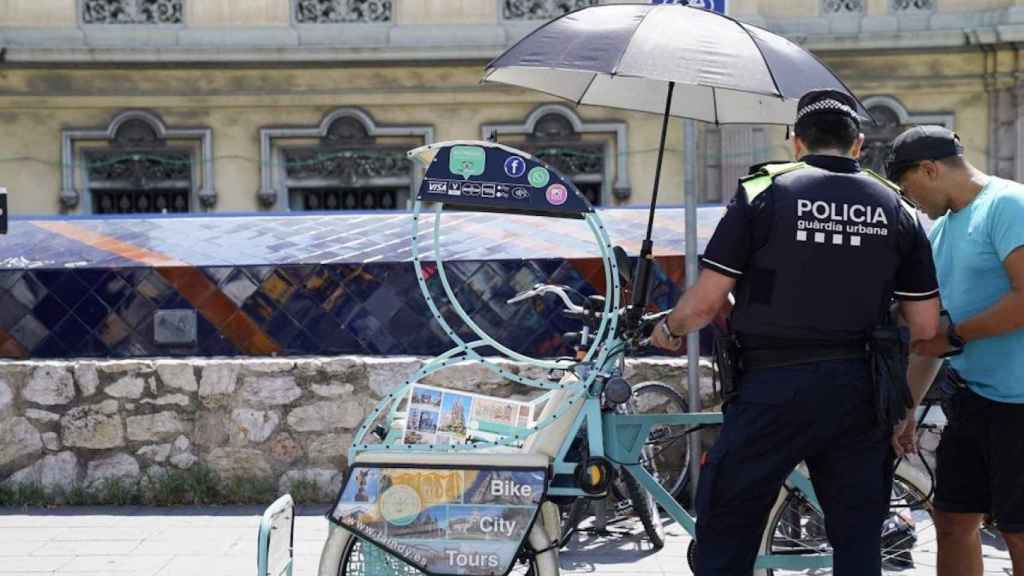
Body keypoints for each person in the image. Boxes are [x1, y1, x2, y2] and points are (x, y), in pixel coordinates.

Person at [650, 89, 941, 575]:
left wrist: (669, 327)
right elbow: (927, 326)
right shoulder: (898, 208)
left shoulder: (763, 192)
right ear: (858, 145)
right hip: (860, 391)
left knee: (728, 527)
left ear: (796, 143)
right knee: (858, 538)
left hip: (771, 388)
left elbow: (705, 304)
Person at [887, 126, 1024, 576]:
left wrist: (957, 337)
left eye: (910, 191)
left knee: (1018, 533)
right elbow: (933, 337)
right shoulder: (941, 232)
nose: (912, 204)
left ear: (930, 169)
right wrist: (907, 408)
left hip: (1020, 406)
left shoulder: (1008, 204)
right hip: (972, 400)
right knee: (951, 520)